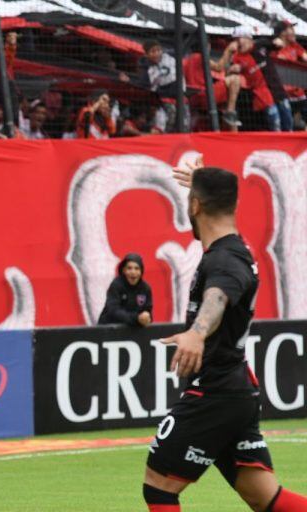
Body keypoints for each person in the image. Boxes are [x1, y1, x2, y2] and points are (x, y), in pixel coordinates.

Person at [143, 158, 307, 512]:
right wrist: (202, 183)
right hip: (235, 389)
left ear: (196, 206)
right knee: (264, 496)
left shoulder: (225, 260)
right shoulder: (235, 249)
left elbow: (218, 295)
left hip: (215, 390)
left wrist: (197, 333)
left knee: (158, 487)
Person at [230, 26, 291, 131]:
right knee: (274, 118)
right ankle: (278, 142)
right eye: (235, 40)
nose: (238, 42)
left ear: (248, 38)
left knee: (287, 116)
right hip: (262, 93)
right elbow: (230, 70)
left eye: (240, 39)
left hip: (276, 87)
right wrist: (234, 69)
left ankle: (290, 139)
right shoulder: (236, 57)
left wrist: (279, 42)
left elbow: (278, 45)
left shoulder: (261, 44)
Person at [183, 44, 242, 130]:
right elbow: (219, 67)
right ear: (208, 46)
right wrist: (228, 51)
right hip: (204, 96)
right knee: (235, 79)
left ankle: (229, 115)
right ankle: (230, 112)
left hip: (193, 98)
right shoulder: (200, 57)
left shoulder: (186, 60)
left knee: (227, 97)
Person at [97, 253, 153, 327]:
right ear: (123, 270)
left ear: (141, 271)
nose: (133, 272)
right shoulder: (116, 285)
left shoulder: (145, 288)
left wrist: (147, 317)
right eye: (129, 268)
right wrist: (136, 318)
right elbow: (114, 311)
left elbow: (148, 310)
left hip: (134, 330)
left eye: (137, 268)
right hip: (109, 329)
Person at [273, 20, 307, 128]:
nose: (294, 32)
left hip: (299, 93)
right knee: (287, 126)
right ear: (283, 33)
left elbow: (305, 56)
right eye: (290, 29)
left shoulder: (295, 46)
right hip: (284, 96)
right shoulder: (274, 50)